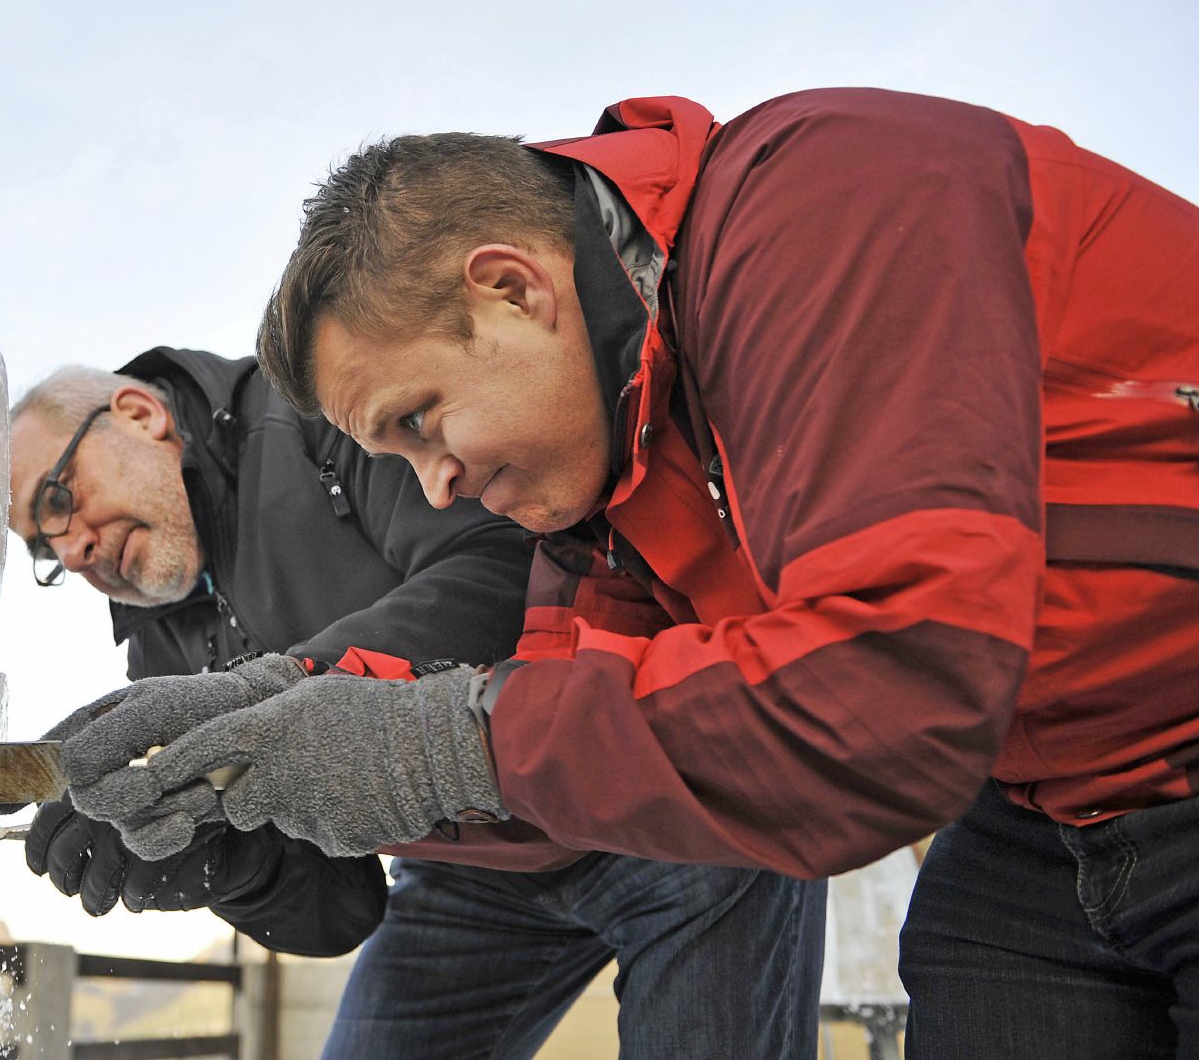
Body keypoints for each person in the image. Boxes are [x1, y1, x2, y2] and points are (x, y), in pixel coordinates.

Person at [61, 88, 1199, 1059]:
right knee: (967, 955)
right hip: (1052, 819)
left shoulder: (821, 204)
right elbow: (539, 717)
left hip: (1166, 727)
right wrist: (258, 739)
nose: (438, 483)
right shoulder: (616, 493)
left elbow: (897, 685)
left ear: (513, 287)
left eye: (419, 422)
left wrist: (431, 742)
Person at [9, 349, 826, 1059]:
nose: (72, 548)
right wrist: (232, 863)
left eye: (59, 497)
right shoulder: (163, 653)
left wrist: (278, 693)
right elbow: (344, 906)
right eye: (44, 550)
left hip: (644, 783)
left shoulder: (317, 408)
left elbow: (505, 566)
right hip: (471, 873)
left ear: (139, 412)